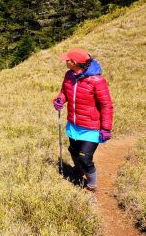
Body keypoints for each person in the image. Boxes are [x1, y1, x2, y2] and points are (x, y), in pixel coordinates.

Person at [52, 48, 114, 191]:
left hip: (91, 127)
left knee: (85, 158)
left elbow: (106, 106)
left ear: (74, 63)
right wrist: (60, 100)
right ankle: (78, 171)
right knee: (73, 151)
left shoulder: (97, 81)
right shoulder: (69, 75)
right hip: (74, 124)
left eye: (67, 60)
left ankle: (91, 185)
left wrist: (106, 128)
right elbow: (64, 92)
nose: (65, 62)